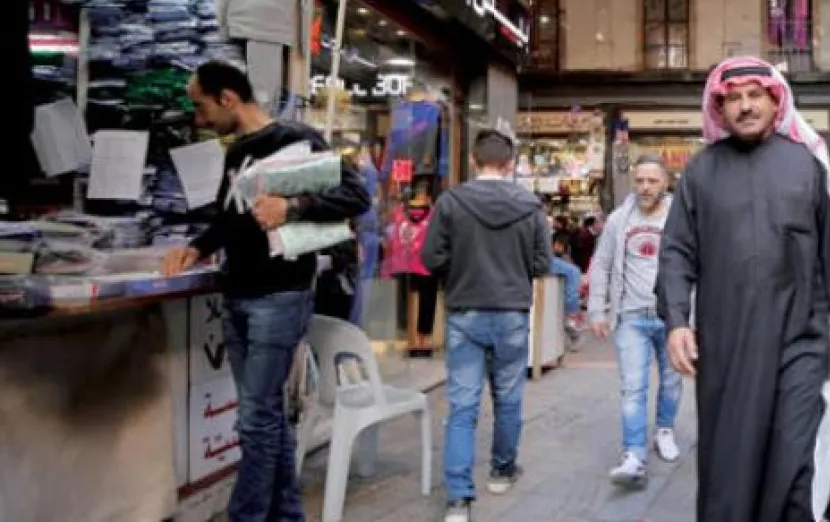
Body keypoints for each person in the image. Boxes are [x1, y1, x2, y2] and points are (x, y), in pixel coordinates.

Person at [657, 56, 830, 522]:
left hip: (800, 344)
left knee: (794, 465)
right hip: (726, 349)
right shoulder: (700, 172)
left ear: (776, 102)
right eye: (733, 98)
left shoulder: (806, 167)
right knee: (729, 468)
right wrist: (676, 321)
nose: (745, 106)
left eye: (755, 95)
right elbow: (676, 252)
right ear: (720, 109)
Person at [161, 61, 371, 522]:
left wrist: (292, 206)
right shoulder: (237, 151)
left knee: (255, 419)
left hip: (280, 296)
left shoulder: (297, 139)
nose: (198, 118)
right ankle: (288, 515)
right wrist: (196, 248)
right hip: (237, 294)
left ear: (228, 98)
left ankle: (247, 516)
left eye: (201, 107)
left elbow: (357, 197)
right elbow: (230, 218)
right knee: (265, 416)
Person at [420, 129, 551, 522]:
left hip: (465, 311)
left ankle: (458, 499)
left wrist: (459, 271)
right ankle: (502, 471)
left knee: (462, 406)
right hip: (512, 312)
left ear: (473, 161)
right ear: (510, 164)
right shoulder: (531, 206)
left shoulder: (451, 202)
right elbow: (542, 263)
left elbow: (431, 258)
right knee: (508, 397)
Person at [587, 156, 683, 487]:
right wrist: (597, 309)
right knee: (633, 387)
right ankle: (633, 454)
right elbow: (601, 264)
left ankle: (665, 430)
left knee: (671, 382)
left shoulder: (680, 218)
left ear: (665, 183)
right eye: (640, 180)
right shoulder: (619, 219)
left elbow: (697, 265)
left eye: (652, 181)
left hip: (671, 317)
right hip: (630, 316)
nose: (645, 187)